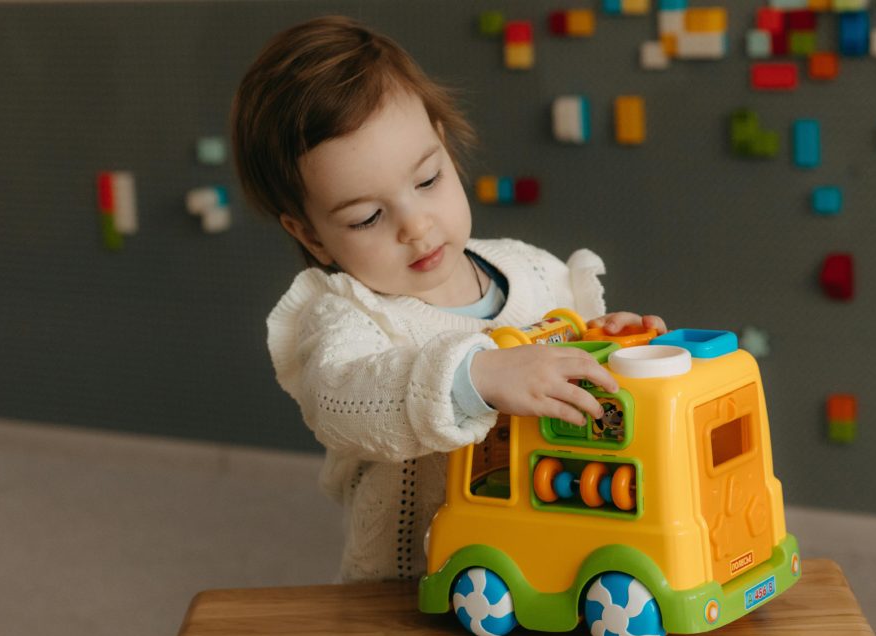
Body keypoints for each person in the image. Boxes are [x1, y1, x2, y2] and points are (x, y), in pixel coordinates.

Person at [231, 15, 666, 582]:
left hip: (548, 551)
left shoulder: (532, 270)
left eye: (428, 180)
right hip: (409, 585)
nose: (415, 225)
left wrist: (610, 343)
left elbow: (574, 369)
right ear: (312, 235)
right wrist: (474, 378)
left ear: (445, 146)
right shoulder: (344, 314)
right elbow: (340, 401)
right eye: (367, 217)